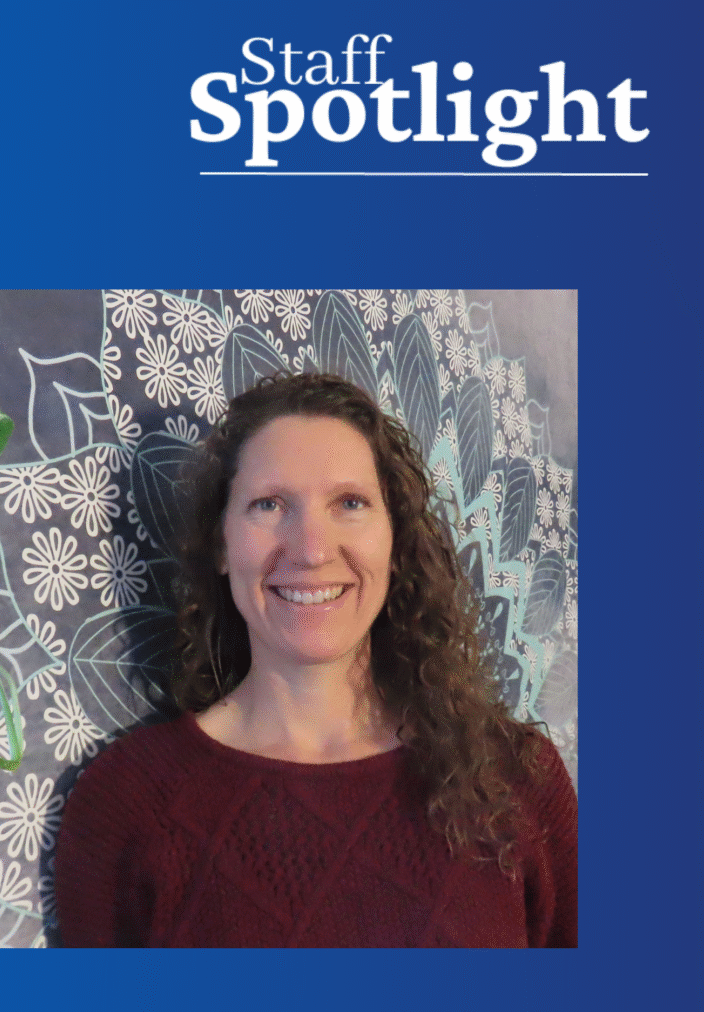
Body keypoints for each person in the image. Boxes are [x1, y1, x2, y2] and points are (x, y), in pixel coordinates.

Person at [54, 372, 577, 947]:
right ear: (221, 545)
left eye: (349, 503)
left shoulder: (517, 780)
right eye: (269, 504)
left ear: (395, 542)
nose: (311, 549)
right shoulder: (126, 802)